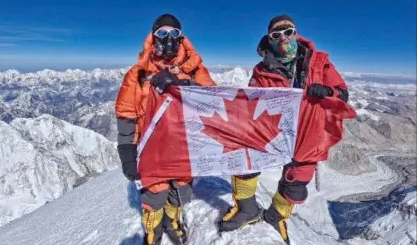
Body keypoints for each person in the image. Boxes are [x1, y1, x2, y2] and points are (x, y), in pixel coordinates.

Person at [218, 14, 352, 244]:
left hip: (308, 130)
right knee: (245, 162)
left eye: (288, 32)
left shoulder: (319, 62)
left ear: (296, 33)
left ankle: (276, 217)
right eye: (276, 35)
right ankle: (247, 210)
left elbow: (342, 91)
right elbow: (254, 101)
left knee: (296, 183)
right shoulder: (262, 70)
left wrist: (327, 92)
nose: (283, 39)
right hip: (273, 130)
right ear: (269, 39)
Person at [115, 13, 216, 245]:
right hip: (151, 149)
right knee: (154, 195)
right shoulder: (138, 74)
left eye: (174, 33)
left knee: (181, 193)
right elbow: (127, 115)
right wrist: (127, 154)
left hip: (185, 149)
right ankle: (153, 231)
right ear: (153, 37)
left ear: (182, 39)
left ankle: (172, 221)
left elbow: (212, 100)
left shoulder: (194, 70)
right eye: (162, 33)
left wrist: (185, 85)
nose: (168, 38)